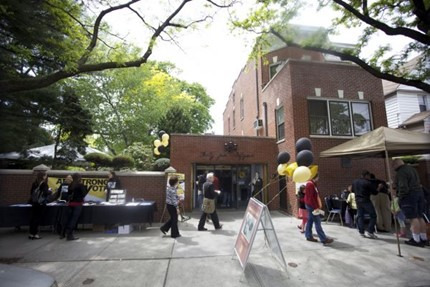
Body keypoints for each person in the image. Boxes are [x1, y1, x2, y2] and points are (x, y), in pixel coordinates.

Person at [393, 159, 428, 247]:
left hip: (409, 196)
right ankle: (424, 238)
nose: (393, 167)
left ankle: (416, 240)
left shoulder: (401, 172)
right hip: (419, 193)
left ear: (397, 164)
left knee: (413, 218)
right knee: (420, 216)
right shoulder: (412, 169)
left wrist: (400, 197)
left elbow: (403, 186)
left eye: (393, 165)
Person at [304, 174, 333, 245]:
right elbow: (311, 198)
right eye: (318, 177)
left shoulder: (310, 184)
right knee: (317, 222)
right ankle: (323, 239)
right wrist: (315, 207)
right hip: (312, 206)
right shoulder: (311, 185)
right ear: (315, 177)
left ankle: (308, 235)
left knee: (310, 221)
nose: (318, 178)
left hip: (309, 205)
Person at [352, 170, 378, 239]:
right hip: (366, 200)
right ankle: (370, 230)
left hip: (357, 200)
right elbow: (375, 192)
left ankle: (361, 231)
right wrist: (379, 188)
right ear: (366, 175)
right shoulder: (367, 183)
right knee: (373, 215)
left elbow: (352, 190)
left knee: (360, 216)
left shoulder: (355, 182)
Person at [62, 173, 88, 241]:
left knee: (70, 219)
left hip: (71, 204)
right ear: (79, 178)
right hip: (78, 204)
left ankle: (67, 233)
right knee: (74, 220)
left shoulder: (71, 184)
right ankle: (70, 235)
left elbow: (68, 194)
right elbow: (84, 194)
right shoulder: (80, 185)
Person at [28, 172, 51, 240]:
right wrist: (50, 191)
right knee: (37, 219)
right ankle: (35, 234)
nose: (46, 177)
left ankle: (31, 233)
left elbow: (31, 192)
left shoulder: (34, 183)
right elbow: (45, 193)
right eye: (46, 176)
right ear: (43, 177)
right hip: (40, 203)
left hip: (34, 203)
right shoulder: (44, 184)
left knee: (33, 218)